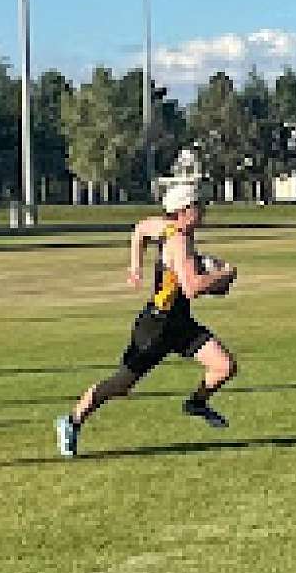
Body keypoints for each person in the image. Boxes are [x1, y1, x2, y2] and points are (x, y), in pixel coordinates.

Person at [55, 183, 238, 458]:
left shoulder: (166, 227)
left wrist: (135, 267)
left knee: (224, 366)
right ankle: (71, 421)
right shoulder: (178, 241)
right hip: (156, 326)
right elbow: (193, 287)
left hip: (179, 321)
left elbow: (140, 229)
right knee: (121, 384)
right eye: (198, 205)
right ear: (184, 211)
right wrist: (225, 274)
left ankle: (197, 403)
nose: (203, 210)